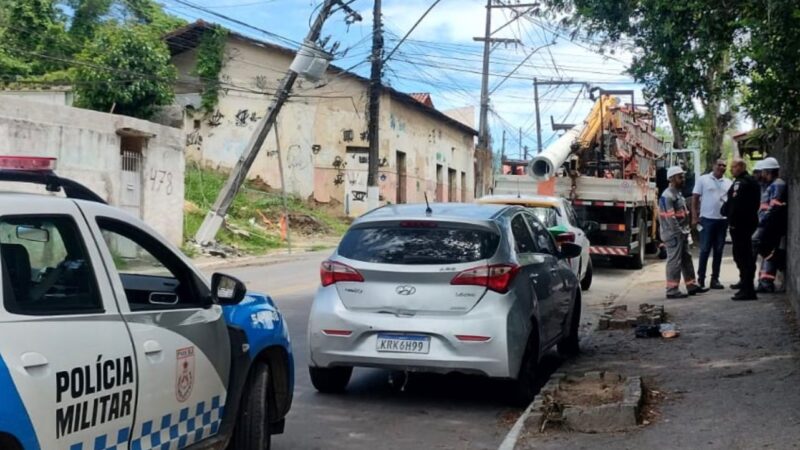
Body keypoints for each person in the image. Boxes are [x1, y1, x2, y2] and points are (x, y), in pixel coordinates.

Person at [660, 166, 708, 299]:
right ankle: (672, 290)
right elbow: (670, 218)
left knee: (686, 259)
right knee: (674, 261)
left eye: (683, 176)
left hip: (681, 233)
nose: (683, 179)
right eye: (680, 177)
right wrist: (679, 232)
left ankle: (691, 285)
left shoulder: (677, 194)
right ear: (671, 179)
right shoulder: (667, 196)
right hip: (673, 235)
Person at [722, 158, 761, 301]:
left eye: (733, 167)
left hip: (740, 225)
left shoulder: (740, 183)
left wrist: (730, 219)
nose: (730, 169)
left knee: (742, 257)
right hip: (748, 223)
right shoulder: (751, 181)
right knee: (745, 256)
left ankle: (747, 290)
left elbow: (735, 205)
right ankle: (745, 286)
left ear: (740, 167)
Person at [692, 159, 732, 289]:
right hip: (707, 220)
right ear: (713, 165)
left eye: (724, 166)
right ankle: (701, 280)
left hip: (722, 220)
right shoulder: (703, 180)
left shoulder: (728, 182)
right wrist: (695, 216)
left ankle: (715, 280)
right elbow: (695, 198)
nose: (721, 167)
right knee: (704, 250)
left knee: (719, 250)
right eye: (719, 165)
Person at [754, 157, 787, 293]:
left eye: (763, 172)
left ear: (769, 172)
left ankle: (780, 261)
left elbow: (775, 206)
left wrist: (763, 221)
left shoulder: (778, 184)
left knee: (758, 245)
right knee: (765, 252)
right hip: (765, 223)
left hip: (770, 224)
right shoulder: (770, 184)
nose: (762, 175)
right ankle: (764, 281)